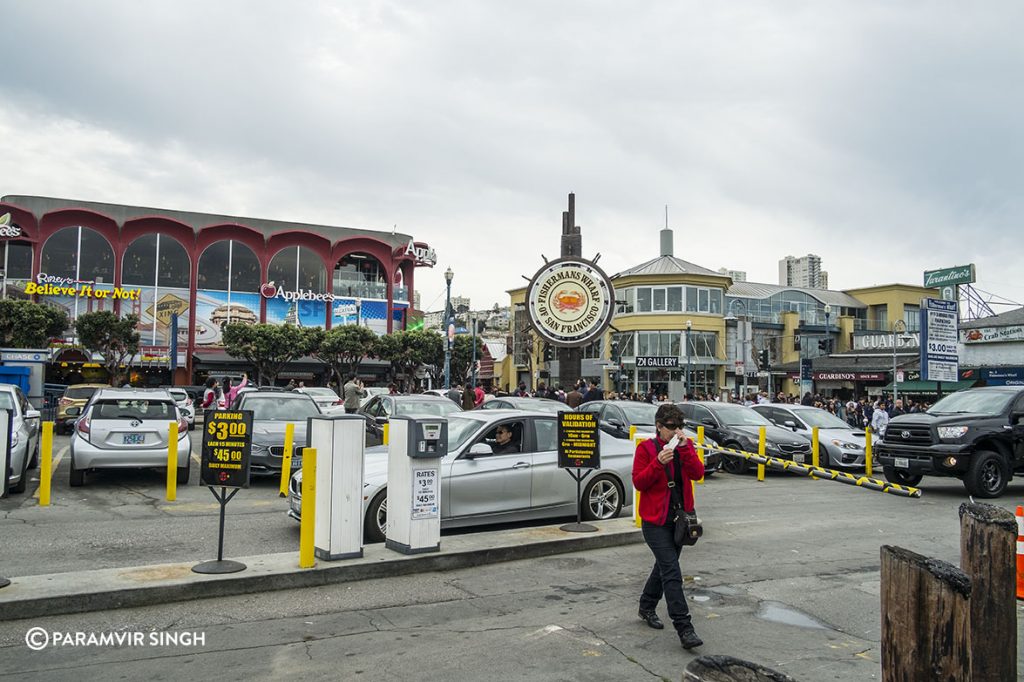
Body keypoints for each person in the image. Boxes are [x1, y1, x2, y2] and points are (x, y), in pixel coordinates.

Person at [632, 403, 705, 650]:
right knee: (672, 572)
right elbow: (639, 482)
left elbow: (697, 474)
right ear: (659, 427)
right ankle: (685, 628)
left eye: (680, 427)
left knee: (664, 568)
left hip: (679, 521)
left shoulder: (685, 446)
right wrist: (658, 463)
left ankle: (646, 605)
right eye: (671, 427)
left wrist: (685, 450)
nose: (676, 432)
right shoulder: (646, 449)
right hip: (654, 522)